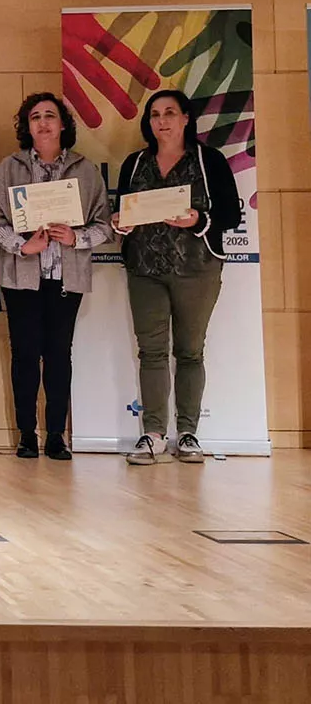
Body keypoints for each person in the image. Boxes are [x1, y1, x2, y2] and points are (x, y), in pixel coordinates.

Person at [0, 92, 112, 461]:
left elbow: (105, 224)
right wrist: (22, 247)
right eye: (35, 117)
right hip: (22, 276)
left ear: (63, 124)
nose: (43, 123)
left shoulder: (85, 170)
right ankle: (26, 434)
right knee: (24, 355)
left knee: (58, 354)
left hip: (66, 277)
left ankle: (56, 434)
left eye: (50, 116)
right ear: (27, 127)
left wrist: (77, 237)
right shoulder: (10, 168)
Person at [114, 89, 240, 465]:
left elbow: (230, 217)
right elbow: (124, 211)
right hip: (145, 270)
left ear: (186, 118)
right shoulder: (135, 163)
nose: (162, 120)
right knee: (151, 351)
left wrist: (198, 220)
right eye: (155, 114)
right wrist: (119, 224)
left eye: (170, 112)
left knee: (189, 351)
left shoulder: (209, 160)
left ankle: (187, 434)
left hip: (197, 269)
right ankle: (153, 434)